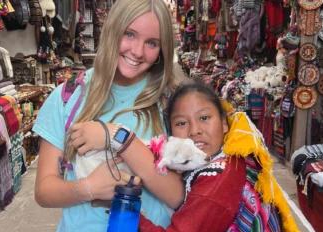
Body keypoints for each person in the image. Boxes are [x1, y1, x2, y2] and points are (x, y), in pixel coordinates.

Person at [33, 0, 185, 231]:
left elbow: (178, 196)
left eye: (152, 43)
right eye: (130, 34)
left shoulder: (173, 102)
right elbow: (44, 191)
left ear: (163, 49)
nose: (137, 51)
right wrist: (89, 188)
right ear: (113, 29)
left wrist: (116, 137)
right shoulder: (68, 96)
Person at [136, 83, 299, 231]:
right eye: (181, 123)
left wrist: (129, 213)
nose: (194, 130)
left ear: (224, 124)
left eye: (204, 118)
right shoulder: (231, 155)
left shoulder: (217, 178)